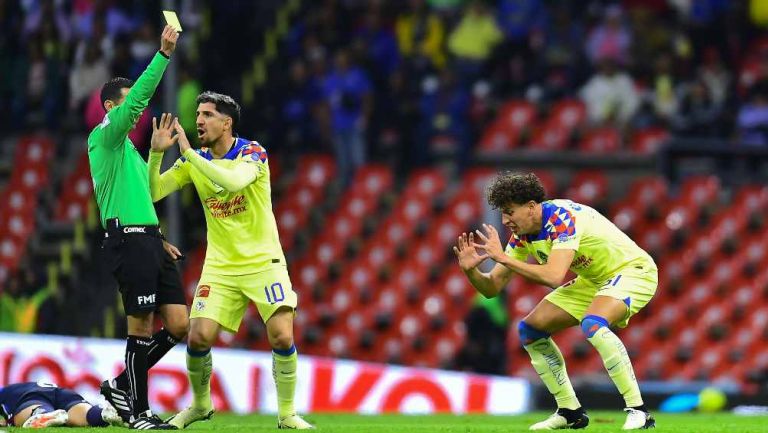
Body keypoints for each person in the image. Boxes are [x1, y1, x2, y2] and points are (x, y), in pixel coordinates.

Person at [146, 92, 314, 430]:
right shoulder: (195, 160)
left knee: (281, 335)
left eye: (208, 115)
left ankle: (286, 415)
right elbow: (154, 192)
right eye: (198, 114)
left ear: (227, 123)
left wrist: (190, 155)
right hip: (220, 266)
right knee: (198, 336)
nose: (199, 121)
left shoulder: (253, 152)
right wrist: (155, 155)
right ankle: (200, 405)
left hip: (263, 261)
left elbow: (234, 180)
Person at [453, 172, 657, 430]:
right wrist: (472, 272)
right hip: (593, 280)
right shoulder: (522, 236)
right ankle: (570, 411)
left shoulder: (562, 218)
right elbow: (492, 287)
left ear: (530, 207)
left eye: (509, 212)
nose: (505, 220)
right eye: (502, 214)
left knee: (592, 324)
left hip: (632, 271)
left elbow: (553, 276)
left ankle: (639, 411)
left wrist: (504, 258)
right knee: (530, 329)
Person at [87, 25, 189, 430]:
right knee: (142, 326)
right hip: (126, 240)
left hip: (147, 238)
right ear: (111, 107)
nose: (138, 111)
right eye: (128, 105)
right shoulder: (104, 138)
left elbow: (145, 195)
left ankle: (118, 385)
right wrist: (163, 56)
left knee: (179, 324)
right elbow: (137, 104)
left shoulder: (127, 147)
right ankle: (139, 413)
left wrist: (158, 237)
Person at [0, 381, 122, 428]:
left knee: (34, 409)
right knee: (86, 415)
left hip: (30, 397)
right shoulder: (18, 386)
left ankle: (43, 414)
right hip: (61, 392)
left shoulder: (5, 391)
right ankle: (103, 414)